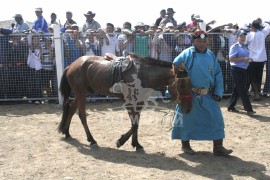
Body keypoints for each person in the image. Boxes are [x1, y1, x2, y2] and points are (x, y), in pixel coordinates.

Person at [171, 28, 233, 156]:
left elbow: (217, 74)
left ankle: (218, 147)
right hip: (189, 95)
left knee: (216, 118)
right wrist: (180, 86)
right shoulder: (187, 53)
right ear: (193, 42)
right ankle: (185, 145)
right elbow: (175, 66)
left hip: (208, 94)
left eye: (204, 41)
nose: (202, 43)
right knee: (186, 120)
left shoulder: (210, 54)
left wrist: (218, 91)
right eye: (199, 41)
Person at [227, 30, 256, 115]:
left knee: (237, 89)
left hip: (243, 69)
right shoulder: (235, 46)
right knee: (242, 90)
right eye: (241, 36)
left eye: (244, 36)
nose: (243, 38)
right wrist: (244, 59)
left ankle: (230, 106)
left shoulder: (245, 46)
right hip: (236, 69)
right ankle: (249, 109)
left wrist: (248, 59)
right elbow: (231, 59)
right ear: (238, 37)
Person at [246, 19, 270, 100]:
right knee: (259, 76)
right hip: (261, 59)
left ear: (252, 26)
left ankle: (255, 93)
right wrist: (265, 23)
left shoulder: (249, 35)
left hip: (252, 59)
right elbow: (268, 26)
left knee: (252, 77)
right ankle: (258, 92)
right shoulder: (263, 33)